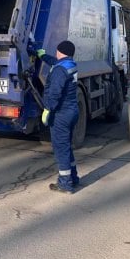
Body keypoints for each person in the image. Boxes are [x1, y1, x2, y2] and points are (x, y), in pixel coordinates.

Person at [33, 40, 79, 193]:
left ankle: (65, 184)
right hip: (71, 111)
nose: (56, 53)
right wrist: (43, 55)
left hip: (61, 114)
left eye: (57, 51)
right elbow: (55, 62)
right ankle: (73, 178)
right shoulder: (70, 64)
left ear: (60, 51)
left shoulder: (60, 70)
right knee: (66, 146)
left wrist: (48, 109)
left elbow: (55, 92)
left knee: (61, 148)